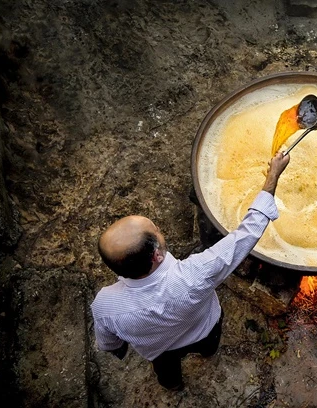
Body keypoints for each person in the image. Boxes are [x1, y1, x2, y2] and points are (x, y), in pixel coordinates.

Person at [90, 151, 290, 391]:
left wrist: (122, 346)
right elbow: (246, 234)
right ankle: (207, 354)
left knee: (167, 372)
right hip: (204, 330)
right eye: (157, 230)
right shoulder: (195, 275)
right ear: (157, 255)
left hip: (160, 351)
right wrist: (273, 175)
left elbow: (109, 343)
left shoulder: (104, 306)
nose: (160, 229)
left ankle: (173, 386)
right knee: (208, 346)